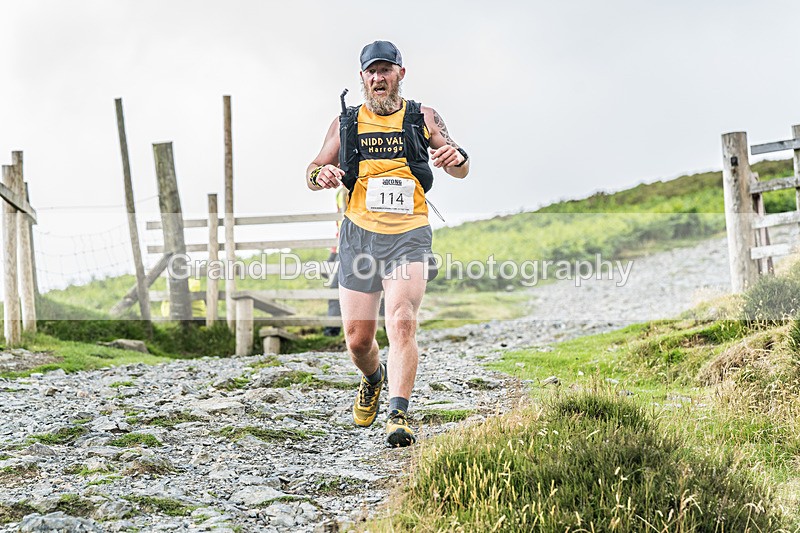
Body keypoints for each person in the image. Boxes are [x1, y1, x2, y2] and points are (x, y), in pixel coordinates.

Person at [306, 40, 470, 447]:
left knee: (401, 320)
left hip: (409, 234)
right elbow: (312, 168)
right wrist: (320, 176)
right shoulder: (345, 122)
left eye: (386, 70)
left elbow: (462, 166)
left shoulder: (423, 117)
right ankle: (373, 378)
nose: (379, 78)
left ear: (401, 73)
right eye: (371, 72)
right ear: (362, 78)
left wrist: (455, 158)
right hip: (359, 235)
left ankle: (398, 414)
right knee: (358, 340)